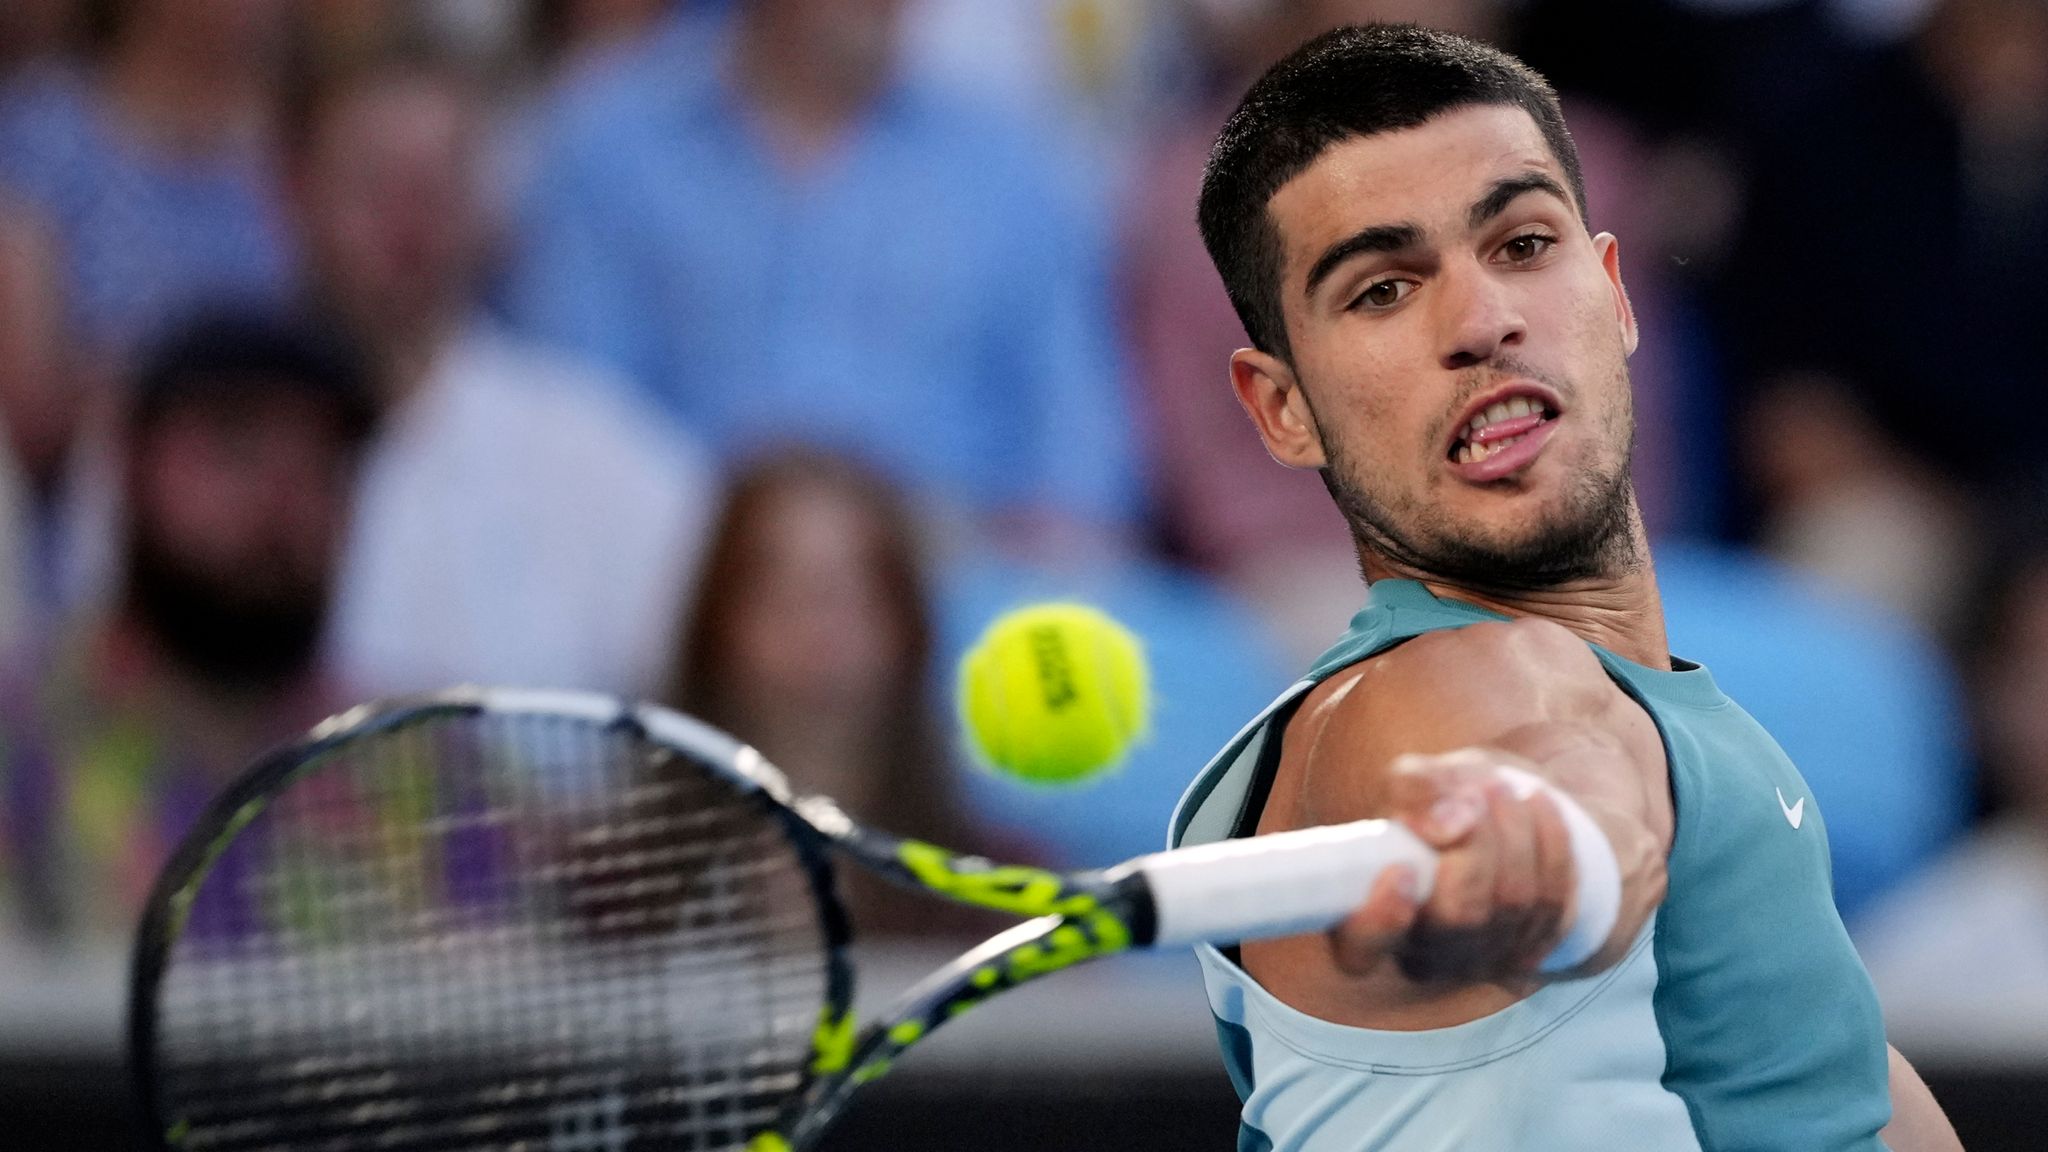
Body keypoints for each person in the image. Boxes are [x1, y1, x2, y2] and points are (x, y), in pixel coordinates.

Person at [1164, 25, 1960, 1150]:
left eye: (1523, 243)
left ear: (1614, 294)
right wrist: (1530, 835)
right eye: (1383, 289)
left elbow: (1841, 1103)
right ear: (1281, 408)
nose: (1481, 322)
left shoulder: (1698, 738)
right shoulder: (1434, 692)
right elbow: (1534, 756)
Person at [503, 0, 1142, 551]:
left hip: (953, 590)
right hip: (680, 590)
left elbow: (1080, 463)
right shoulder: (609, 144)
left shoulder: (1011, 166)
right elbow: (571, 415)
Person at [285, 34, 716, 699]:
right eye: (375, 183)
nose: (408, 223)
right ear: (292, 191)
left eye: (437, 186)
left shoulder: (594, 452)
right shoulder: (196, 428)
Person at [0, 311, 372, 947]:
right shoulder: (21, 742)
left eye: (321, 469)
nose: (281, 505)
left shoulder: (421, 765)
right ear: (130, 468)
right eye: (237, 452)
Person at [661, 448, 999, 937]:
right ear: (716, 618)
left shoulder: (1001, 888)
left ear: (907, 624)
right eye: (779, 589)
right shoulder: (609, 884)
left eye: (850, 591)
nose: (817, 626)